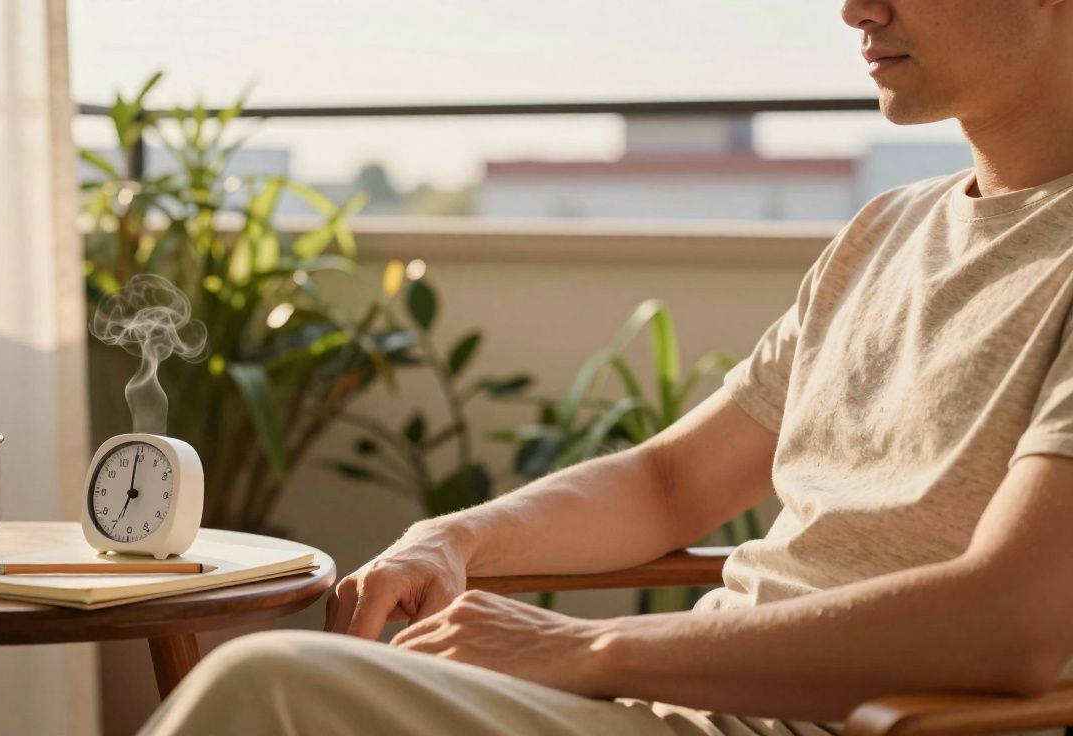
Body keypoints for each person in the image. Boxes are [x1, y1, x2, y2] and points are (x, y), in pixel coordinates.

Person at [141, 1, 1073, 733]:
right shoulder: (885, 230)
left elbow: (1014, 628)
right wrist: (454, 538)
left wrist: (589, 648)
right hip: (676, 708)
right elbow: (670, 484)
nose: (855, 10)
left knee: (271, 690)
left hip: (852, 725)